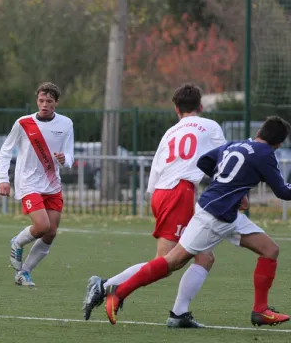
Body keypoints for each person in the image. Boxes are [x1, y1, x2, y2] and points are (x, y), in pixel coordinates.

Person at [103, 116, 291, 327]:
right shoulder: (266, 154)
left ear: (259, 133)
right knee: (173, 261)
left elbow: (204, 161)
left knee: (270, 250)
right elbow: (283, 191)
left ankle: (260, 311)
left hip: (224, 212)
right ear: (279, 144)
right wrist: (231, 189)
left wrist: (227, 185)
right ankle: (118, 293)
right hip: (214, 217)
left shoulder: (236, 144)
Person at [83, 84, 227, 328]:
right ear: (200, 107)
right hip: (179, 192)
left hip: (163, 191)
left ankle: (179, 314)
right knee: (166, 261)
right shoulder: (210, 126)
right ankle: (104, 286)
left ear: (175, 109)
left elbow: (157, 170)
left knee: (205, 256)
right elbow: (223, 160)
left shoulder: (170, 132)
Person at [0, 82, 74, 287]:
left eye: (49, 101)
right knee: (42, 225)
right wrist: (3, 179)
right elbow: (5, 150)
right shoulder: (23, 123)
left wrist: (64, 160)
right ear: (37, 101)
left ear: (56, 103)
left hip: (52, 184)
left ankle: (24, 273)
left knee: (51, 232)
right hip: (28, 182)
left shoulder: (66, 124)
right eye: (41, 100)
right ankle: (18, 242)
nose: (44, 104)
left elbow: (70, 155)